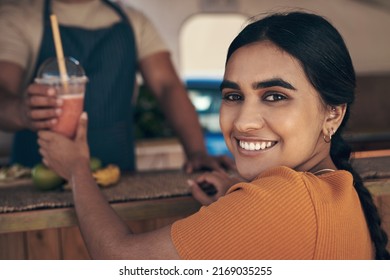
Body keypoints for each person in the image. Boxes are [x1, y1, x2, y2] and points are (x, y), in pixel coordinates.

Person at [37, 11, 390, 259]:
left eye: (275, 96)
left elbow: (118, 259)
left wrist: (77, 170)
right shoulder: (339, 189)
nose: (244, 123)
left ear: (334, 112)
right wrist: (234, 200)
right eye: (234, 96)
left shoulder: (282, 199)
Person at [0, 0, 234, 172]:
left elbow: (167, 87)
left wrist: (197, 152)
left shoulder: (134, 21)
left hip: (117, 175)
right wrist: (22, 111)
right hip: (37, 176)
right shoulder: (19, 17)